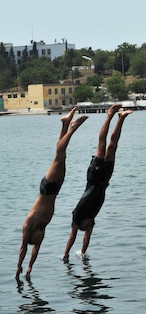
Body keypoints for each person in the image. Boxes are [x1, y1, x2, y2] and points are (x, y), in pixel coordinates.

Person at [16, 107, 88, 280]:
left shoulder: (28, 226)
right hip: (55, 190)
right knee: (61, 156)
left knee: (58, 156)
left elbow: (24, 249)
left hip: (46, 188)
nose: (42, 237)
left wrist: (19, 266)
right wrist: (30, 267)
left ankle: (72, 128)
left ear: (32, 235)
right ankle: (65, 123)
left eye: (38, 238)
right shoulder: (40, 231)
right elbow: (35, 250)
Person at [61, 104, 132, 260]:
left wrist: (66, 254)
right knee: (113, 146)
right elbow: (87, 239)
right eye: (88, 229)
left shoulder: (77, 215)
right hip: (105, 178)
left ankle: (109, 115)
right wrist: (82, 252)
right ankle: (121, 118)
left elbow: (72, 237)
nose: (88, 229)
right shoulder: (92, 219)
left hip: (94, 176)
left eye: (86, 228)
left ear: (80, 225)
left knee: (102, 144)